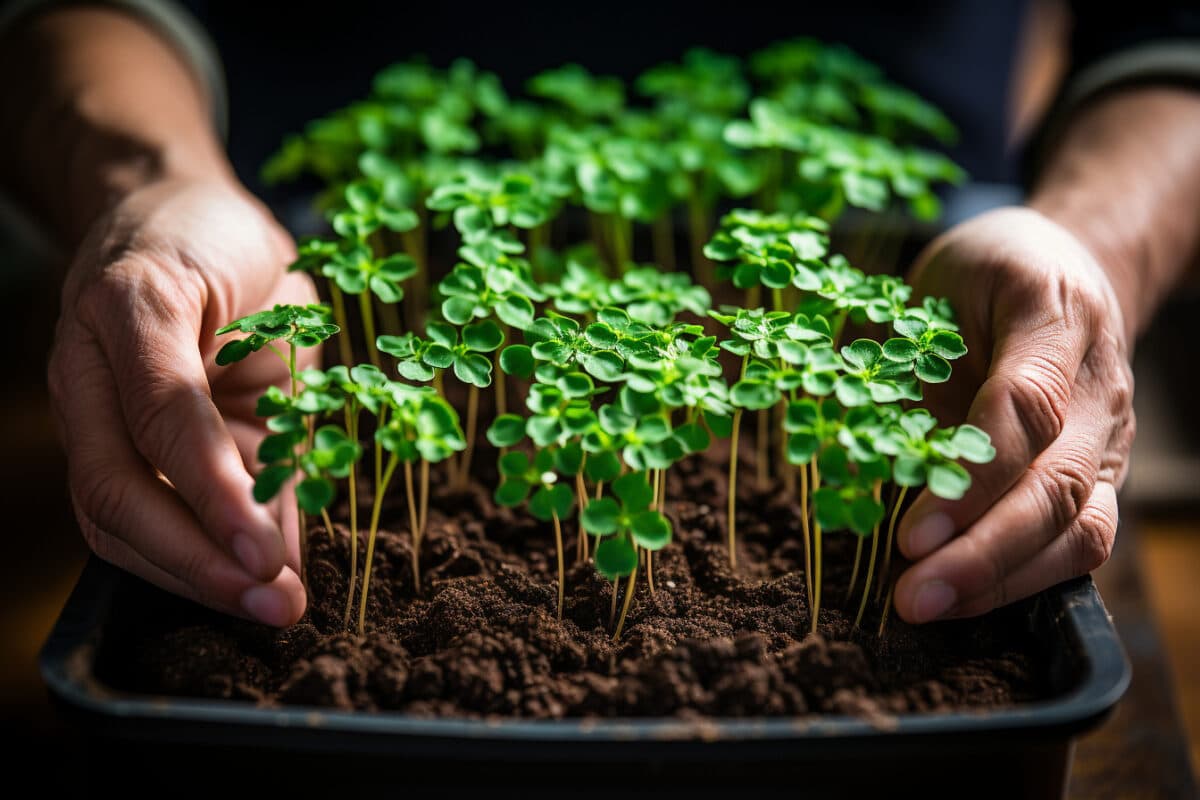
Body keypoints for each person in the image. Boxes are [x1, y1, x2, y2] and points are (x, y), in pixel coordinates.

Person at [0, 2, 1196, 628]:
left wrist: (1083, 243)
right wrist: (151, 185)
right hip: (286, 300)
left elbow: (1171, 39)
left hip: (921, 268)